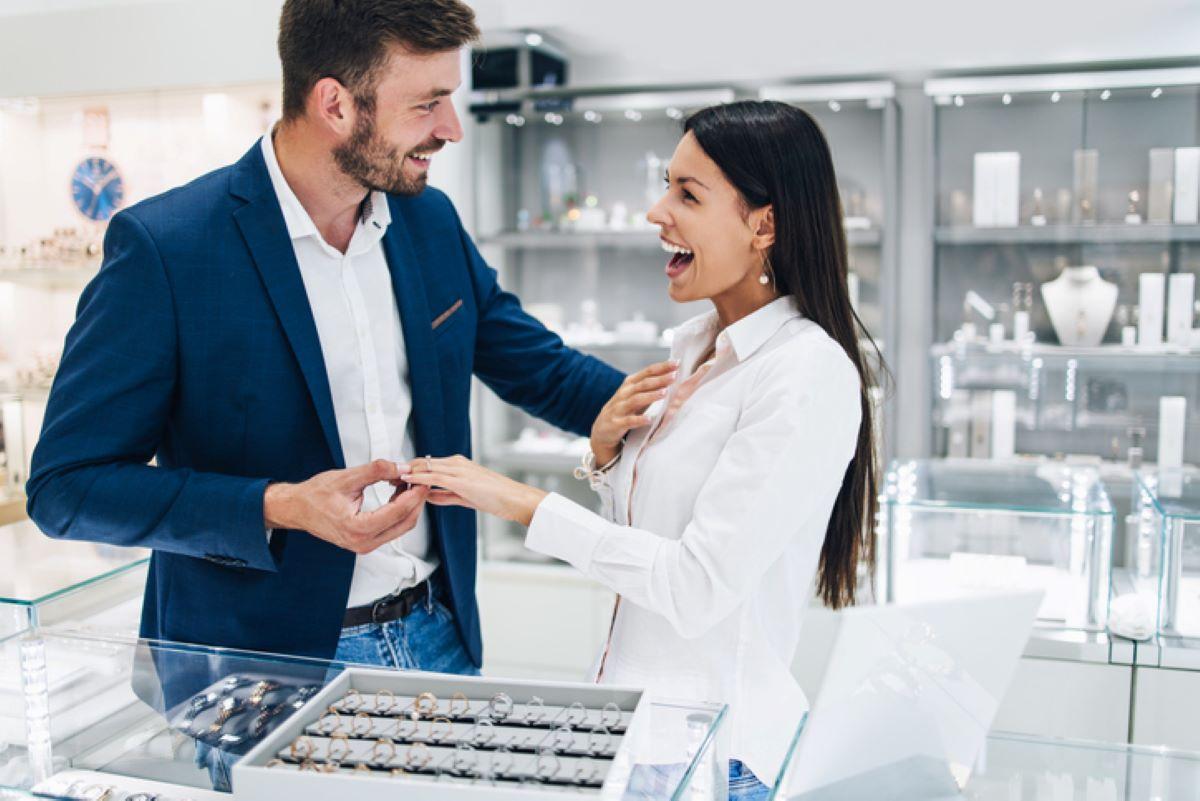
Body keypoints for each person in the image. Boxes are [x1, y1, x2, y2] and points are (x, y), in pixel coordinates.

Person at [26, 0, 621, 683]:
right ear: (335, 104)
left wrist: (694, 397)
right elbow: (66, 488)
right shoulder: (168, 247)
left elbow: (541, 368)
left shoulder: (429, 220)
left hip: (439, 639)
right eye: (428, 104)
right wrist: (278, 504)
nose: (451, 129)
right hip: (259, 667)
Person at [399, 100, 883, 798]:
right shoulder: (692, 351)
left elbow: (694, 587)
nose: (657, 212)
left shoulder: (805, 372)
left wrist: (523, 503)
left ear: (764, 225)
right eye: (666, 185)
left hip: (718, 756)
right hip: (638, 737)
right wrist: (605, 459)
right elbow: (657, 535)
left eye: (687, 194)